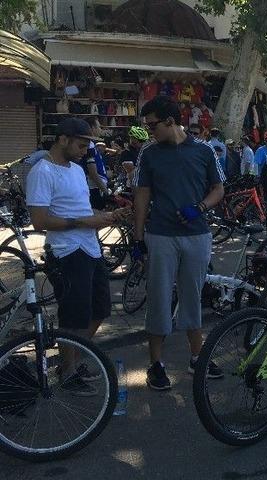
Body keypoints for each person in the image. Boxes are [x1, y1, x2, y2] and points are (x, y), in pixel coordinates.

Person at [26, 118, 126, 396]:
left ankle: (71, 362)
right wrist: (85, 222)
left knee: (101, 309)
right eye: (82, 145)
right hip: (66, 252)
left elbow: (82, 210)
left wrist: (105, 217)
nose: (85, 151)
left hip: (90, 248)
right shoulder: (42, 171)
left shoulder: (76, 170)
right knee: (72, 316)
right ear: (63, 139)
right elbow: (39, 220)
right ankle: (68, 372)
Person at [133, 95, 226, 391]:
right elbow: (142, 195)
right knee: (158, 296)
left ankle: (197, 357)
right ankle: (156, 364)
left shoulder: (204, 150)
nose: (149, 132)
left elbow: (218, 189)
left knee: (192, 295)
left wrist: (200, 207)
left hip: (197, 234)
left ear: (170, 121)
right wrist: (138, 237)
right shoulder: (149, 153)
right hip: (160, 235)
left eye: (152, 125)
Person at [80, 117, 110, 210]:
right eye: (99, 127)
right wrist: (105, 191)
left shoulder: (92, 145)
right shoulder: (89, 146)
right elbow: (92, 172)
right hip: (94, 189)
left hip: (96, 188)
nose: (100, 129)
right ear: (92, 128)